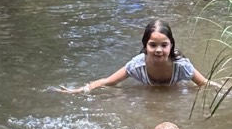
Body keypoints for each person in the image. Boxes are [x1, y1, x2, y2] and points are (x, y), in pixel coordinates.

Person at [66, 18, 209, 93]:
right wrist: (80, 90)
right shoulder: (137, 65)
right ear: (145, 46)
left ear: (171, 45)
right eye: (153, 45)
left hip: (175, 90)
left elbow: (205, 85)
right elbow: (108, 82)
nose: (158, 50)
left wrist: (228, 91)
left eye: (164, 45)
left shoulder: (181, 65)